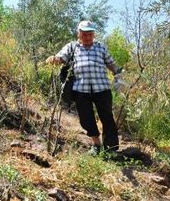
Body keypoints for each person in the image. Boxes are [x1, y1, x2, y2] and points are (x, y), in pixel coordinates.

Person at [46, 20, 119, 152]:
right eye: (84, 34)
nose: (87, 37)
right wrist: (54, 59)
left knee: (107, 117)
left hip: (102, 88)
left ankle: (111, 149)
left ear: (93, 34)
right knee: (86, 119)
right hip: (81, 90)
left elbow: (111, 63)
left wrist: (118, 74)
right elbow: (61, 57)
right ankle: (97, 145)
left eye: (89, 34)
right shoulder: (72, 47)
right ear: (78, 34)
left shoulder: (101, 47)